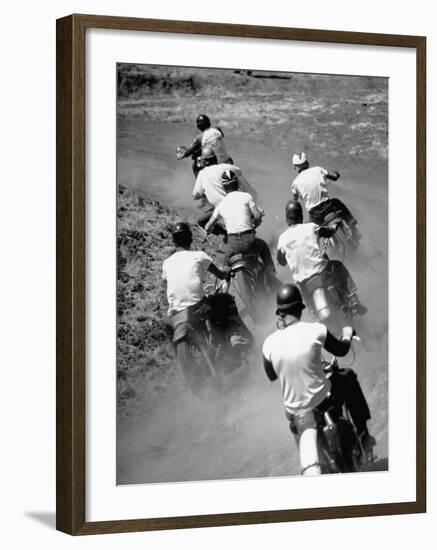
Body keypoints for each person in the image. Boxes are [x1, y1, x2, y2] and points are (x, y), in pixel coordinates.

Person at [262, 283, 375, 475]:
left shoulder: (268, 343)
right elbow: (341, 350)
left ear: (279, 313)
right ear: (300, 309)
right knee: (347, 377)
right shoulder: (316, 330)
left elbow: (271, 375)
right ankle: (363, 434)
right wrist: (347, 334)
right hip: (322, 403)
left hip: (295, 413)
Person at [162, 222, 251, 352]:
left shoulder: (166, 263)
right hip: (197, 307)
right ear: (190, 239)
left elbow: (167, 285)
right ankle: (234, 335)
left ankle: (179, 355)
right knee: (225, 300)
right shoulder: (198, 256)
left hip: (176, 313)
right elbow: (220, 275)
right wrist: (226, 271)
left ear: (174, 243)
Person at [276, 200, 367, 316]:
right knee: (338, 266)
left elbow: (281, 261)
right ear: (300, 215)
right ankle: (354, 299)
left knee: (309, 305)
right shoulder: (311, 227)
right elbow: (329, 232)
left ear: (287, 218)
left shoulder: (282, 239)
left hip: (303, 283)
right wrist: (334, 226)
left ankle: (315, 314)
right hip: (321, 272)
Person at [204, 170, 279, 287]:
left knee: (225, 263)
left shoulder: (221, 205)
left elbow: (208, 226)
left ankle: (224, 288)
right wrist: (255, 225)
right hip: (250, 241)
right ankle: (271, 275)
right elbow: (257, 215)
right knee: (263, 247)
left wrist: (208, 231)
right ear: (237, 184)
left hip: (233, 245)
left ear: (224, 187)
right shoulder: (246, 196)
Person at [290, 152, 360, 241]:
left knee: (310, 234)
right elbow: (334, 176)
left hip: (315, 215)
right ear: (307, 163)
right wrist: (336, 173)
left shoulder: (295, 183)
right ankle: (353, 227)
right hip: (329, 207)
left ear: (295, 167)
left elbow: (294, 202)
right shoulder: (317, 169)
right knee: (337, 202)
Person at [192, 147, 259, 236]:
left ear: (204, 162)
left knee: (201, 221)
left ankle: (225, 234)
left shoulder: (202, 174)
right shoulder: (225, 167)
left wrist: (207, 191)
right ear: (215, 158)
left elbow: (195, 195)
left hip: (221, 209)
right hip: (238, 203)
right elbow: (238, 171)